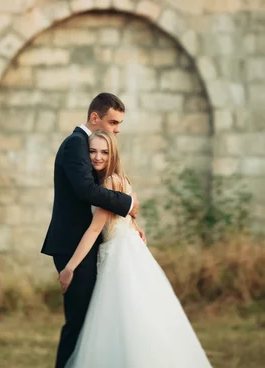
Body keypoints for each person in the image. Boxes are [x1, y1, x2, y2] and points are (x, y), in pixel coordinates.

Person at [58, 130, 214, 368]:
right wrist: (135, 224)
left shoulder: (109, 183)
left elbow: (93, 230)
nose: (97, 157)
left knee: (122, 316)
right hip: (127, 247)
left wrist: (70, 267)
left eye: (104, 152)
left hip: (118, 255)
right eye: (92, 151)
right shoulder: (120, 179)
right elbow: (124, 215)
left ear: (113, 154)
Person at [41, 93, 143, 368]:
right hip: (74, 246)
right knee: (78, 322)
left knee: (90, 322)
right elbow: (87, 191)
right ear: (95, 117)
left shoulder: (86, 146)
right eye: (113, 122)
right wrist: (129, 203)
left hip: (88, 246)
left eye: (119, 123)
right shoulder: (76, 144)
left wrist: (129, 223)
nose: (116, 129)